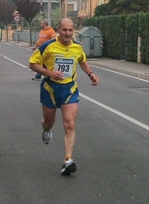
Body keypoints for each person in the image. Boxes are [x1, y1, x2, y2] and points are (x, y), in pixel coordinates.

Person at [29, 18, 99, 175]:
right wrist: (50, 72)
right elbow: (32, 64)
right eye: (64, 30)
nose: (67, 33)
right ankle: (45, 128)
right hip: (50, 88)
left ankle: (68, 160)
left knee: (69, 123)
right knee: (50, 122)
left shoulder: (76, 47)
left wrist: (91, 74)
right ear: (58, 30)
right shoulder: (48, 46)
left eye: (70, 30)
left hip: (69, 88)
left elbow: (82, 60)